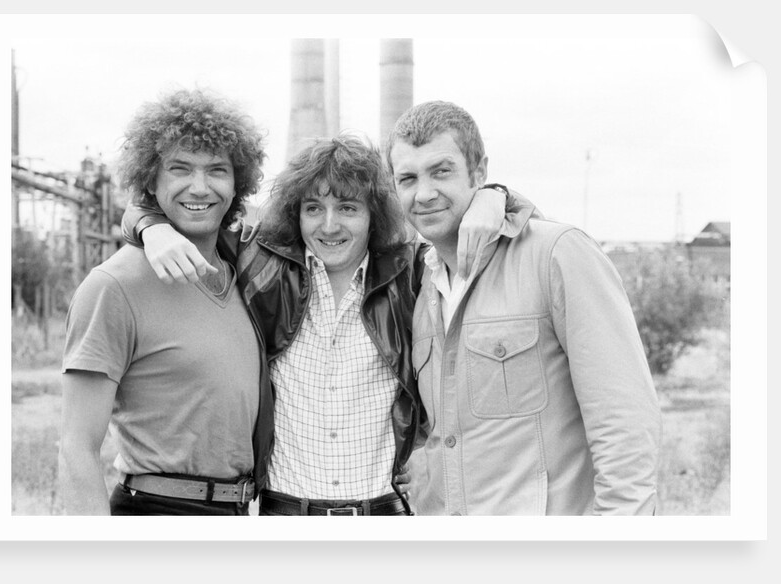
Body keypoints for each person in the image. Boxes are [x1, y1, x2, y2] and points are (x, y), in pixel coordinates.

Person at [123, 133, 516, 515]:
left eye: (347, 208)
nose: (329, 226)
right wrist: (150, 227)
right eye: (313, 208)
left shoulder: (411, 272)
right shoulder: (258, 261)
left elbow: (512, 224)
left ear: (374, 214)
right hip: (285, 518)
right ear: (295, 213)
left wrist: (494, 195)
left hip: (385, 516)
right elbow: (163, 213)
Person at [386, 100, 661, 515]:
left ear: (479, 173)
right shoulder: (421, 287)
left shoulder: (556, 255)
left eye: (441, 171)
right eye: (408, 178)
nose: (423, 193)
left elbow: (625, 424)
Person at [59, 88, 274, 515]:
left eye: (217, 170)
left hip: (236, 513)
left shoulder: (245, 273)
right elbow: (76, 447)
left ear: (237, 183)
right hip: (156, 511)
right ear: (150, 182)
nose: (200, 187)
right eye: (180, 168)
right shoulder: (113, 286)